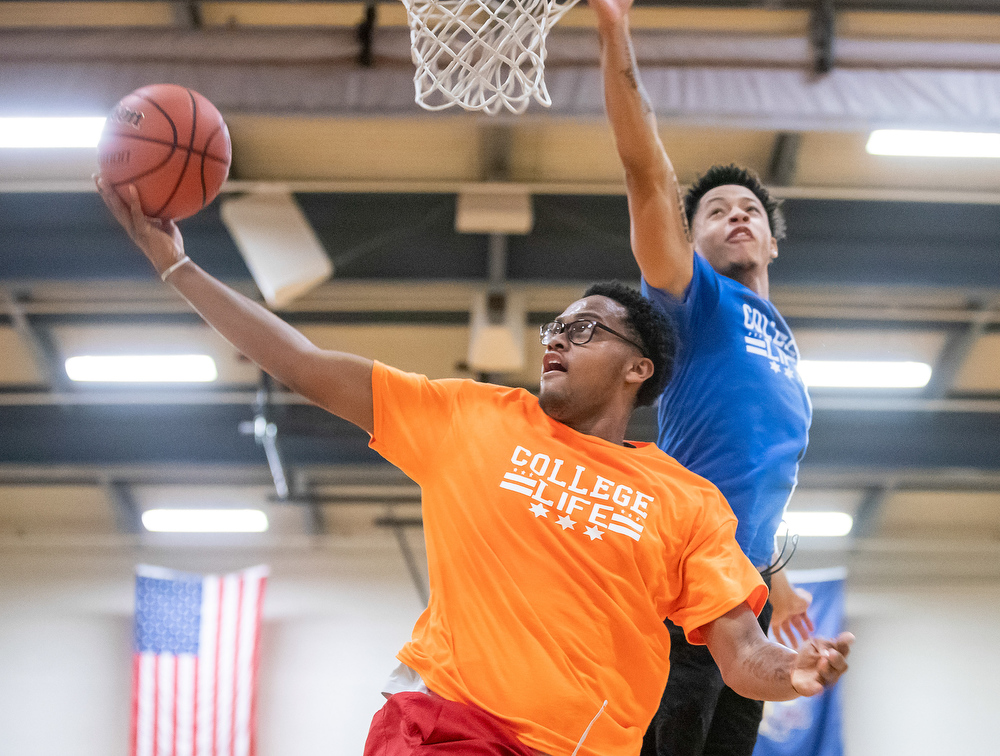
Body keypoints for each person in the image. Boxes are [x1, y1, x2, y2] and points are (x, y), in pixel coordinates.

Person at [96, 177, 852, 756]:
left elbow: (741, 650)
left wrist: (795, 673)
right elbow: (303, 363)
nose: (557, 338)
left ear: (637, 369)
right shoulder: (473, 418)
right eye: (556, 326)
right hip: (445, 720)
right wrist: (178, 267)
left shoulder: (687, 502)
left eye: (586, 329)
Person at [592, 0, 820, 753]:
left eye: (749, 208)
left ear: (774, 244)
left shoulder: (782, 343)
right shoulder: (696, 299)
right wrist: (615, 29)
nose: (736, 215)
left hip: (742, 586)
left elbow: (755, 469)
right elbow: (645, 176)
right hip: (675, 574)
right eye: (716, 210)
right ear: (689, 241)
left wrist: (774, 575)